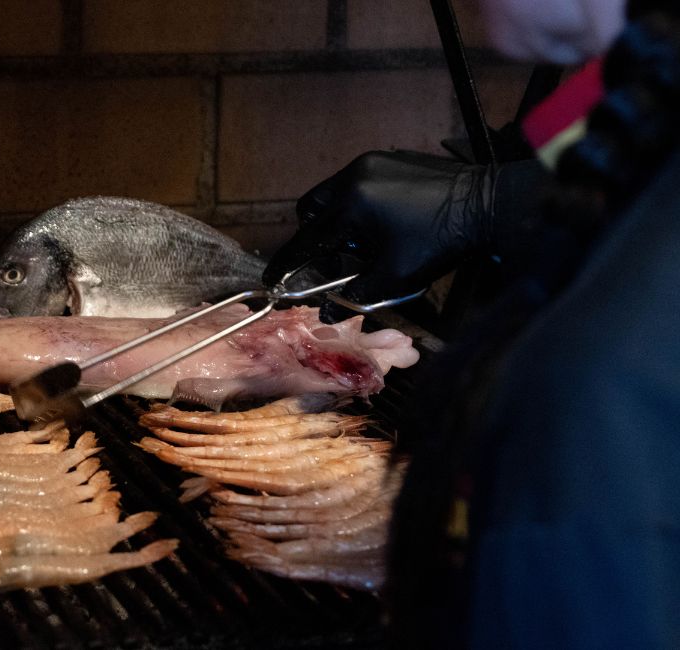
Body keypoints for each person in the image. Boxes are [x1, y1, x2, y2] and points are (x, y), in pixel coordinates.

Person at [264, 1, 680, 647]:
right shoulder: (628, 71)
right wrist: (490, 196)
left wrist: (481, 203)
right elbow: (606, 139)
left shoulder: (598, 397)